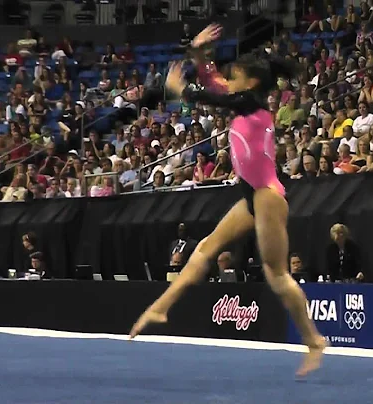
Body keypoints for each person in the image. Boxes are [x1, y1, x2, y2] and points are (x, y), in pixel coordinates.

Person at [128, 24, 327, 377]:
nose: (226, 81)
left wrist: (182, 92)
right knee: (205, 248)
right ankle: (160, 307)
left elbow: (217, 96)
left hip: (267, 197)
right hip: (250, 196)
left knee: (277, 276)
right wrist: (198, 53)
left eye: (233, 78)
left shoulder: (254, 104)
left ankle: (314, 340)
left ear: (249, 84)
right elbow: (215, 85)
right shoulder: (244, 101)